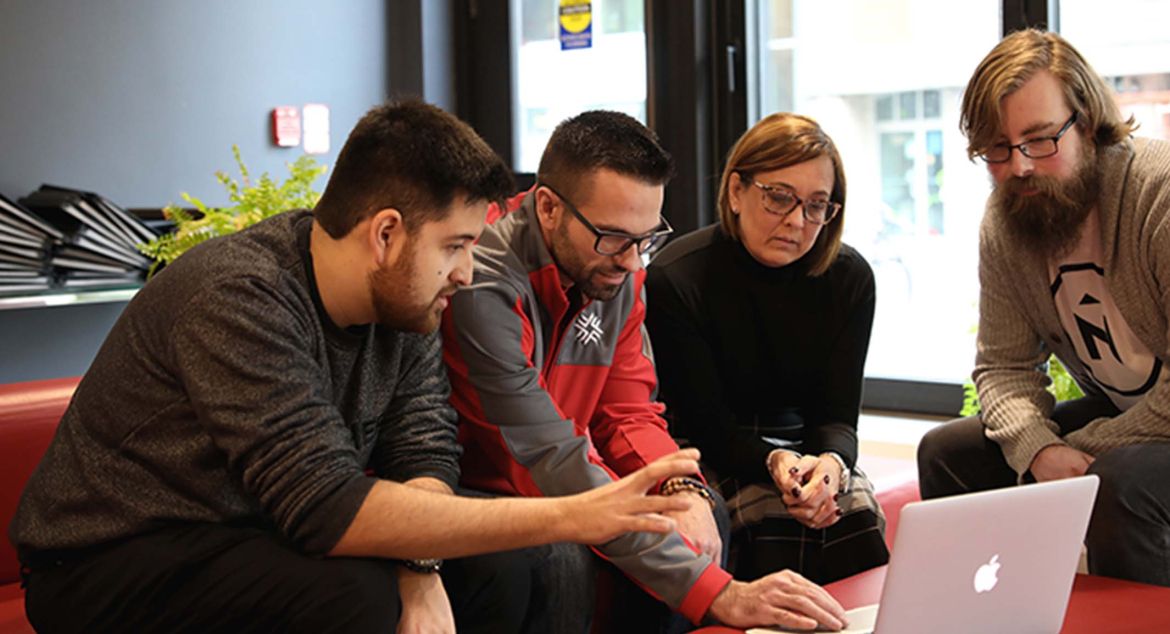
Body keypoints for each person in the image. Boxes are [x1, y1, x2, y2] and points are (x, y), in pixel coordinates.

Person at [8, 100, 707, 634]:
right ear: (386, 235)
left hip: (254, 535)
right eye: (456, 246)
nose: (467, 273)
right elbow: (323, 507)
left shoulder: (407, 304)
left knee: (502, 566)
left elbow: (422, 448)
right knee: (362, 598)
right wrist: (575, 514)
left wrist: (423, 564)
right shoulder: (239, 296)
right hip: (110, 558)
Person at [441, 110, 848, 633]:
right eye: (613, 237)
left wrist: (680, 486)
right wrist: (718, 593)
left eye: (646, 238)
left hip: (561, 469)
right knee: (560, 558)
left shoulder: (614, 267)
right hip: (477, 487)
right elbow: (543, 457)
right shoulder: (482, 279)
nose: (634, 262)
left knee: (700, 512)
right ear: (548, 207)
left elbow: (628, 412)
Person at [916, 29, 1170, 587]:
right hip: (1130, 414)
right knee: (948, 452)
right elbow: (1003, 367)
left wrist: (1068, 451)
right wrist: (1037, 450)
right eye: (997, 149)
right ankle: (986, 615)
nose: (1020, 167)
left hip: (1147, 430)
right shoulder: (1007, 220)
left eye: (1040, 140)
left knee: (1118, 482)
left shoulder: (1160, 193)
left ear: (1087, 122)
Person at [644, 113, 890, 585]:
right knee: (769, 524)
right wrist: (774, 462)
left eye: (816, 206)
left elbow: (837, 417)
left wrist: (830, 467)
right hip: (707, 446)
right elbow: (707, 426)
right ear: (736, 191)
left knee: (852, 512)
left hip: (802, 447)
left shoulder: (849, 278)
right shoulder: (677, 278)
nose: (797, 221)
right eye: (779, 197)